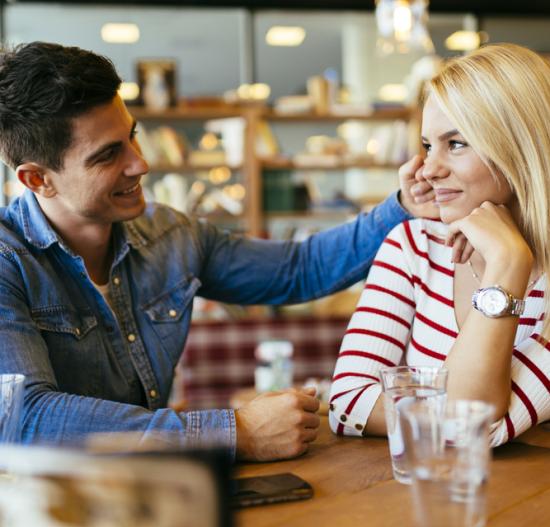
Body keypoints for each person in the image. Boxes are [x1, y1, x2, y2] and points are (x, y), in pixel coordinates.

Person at [0, 41, 434, 462]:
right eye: (109, 154)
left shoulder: (170, 234)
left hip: (151, 498)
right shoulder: (7, 261)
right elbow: (25, 418)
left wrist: (402, 207)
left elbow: (297, 269)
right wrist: (236, 433)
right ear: (38, 179)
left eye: (132, 137)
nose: (140, 163)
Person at [330, 43, 550, 446]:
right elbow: (347, 404)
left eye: (457, 143)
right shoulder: (414, 246)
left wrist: (507, 263)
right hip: (431, 498)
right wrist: (443, 415)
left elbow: (477, 426)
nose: (428, 169)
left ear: (520, 148)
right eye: (428, 145)